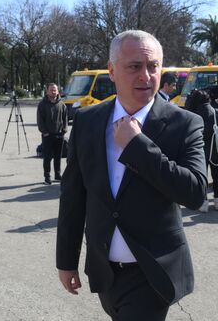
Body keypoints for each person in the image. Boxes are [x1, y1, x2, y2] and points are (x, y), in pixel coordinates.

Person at [56, 30, 207, 321]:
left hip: (152, 273)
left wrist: (138, 146)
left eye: (153, 67)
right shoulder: (88, 121)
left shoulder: (185, 123)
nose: (146, 76)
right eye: (134, 66)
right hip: (105, 272)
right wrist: (66, 260)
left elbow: (195, 192)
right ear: (112, 71)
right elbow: (73, 196)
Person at [187, 89, 218, 212]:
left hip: (199, 152)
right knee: (217, 175)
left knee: (202, 178)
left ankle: (204, 203)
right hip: (216, 150)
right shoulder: (215, 113)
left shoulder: (192, 115)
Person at [37, 83, 68, 185]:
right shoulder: (42, 104)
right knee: (47, 157)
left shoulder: (62, 105)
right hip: (47, 135)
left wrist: (64, 130)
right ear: (47, 91)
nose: (53, 92)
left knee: (58, 156)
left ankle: (57, 175)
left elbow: (65, 119)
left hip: (59, 135)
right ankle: (47, 176)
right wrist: (44, 132)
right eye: (51, 90)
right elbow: (40, 120)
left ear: (58, 91)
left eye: (55, 90)